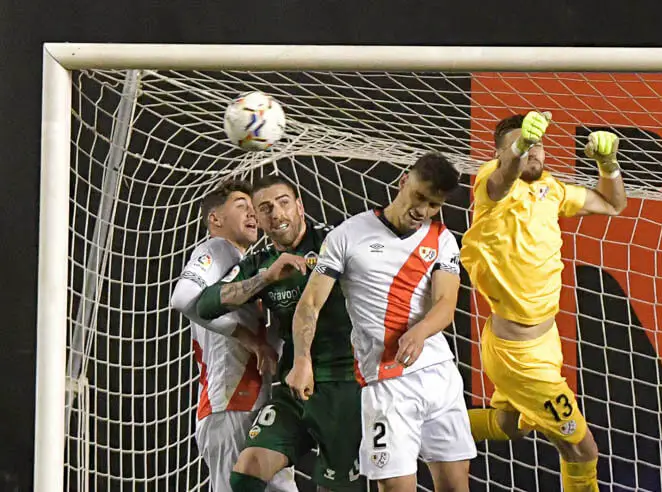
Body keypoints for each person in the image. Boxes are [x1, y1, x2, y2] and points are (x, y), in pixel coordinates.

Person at [286, 152, 476, 492]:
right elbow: (310, 303)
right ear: (404, 181)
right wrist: (302, 359)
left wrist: (419, 331)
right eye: (419, 197)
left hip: (439, 376)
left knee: (456, 487)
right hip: (386, 382)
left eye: (433, 205)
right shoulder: (347, 236)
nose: (423, 211)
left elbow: (446, 304)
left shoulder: (442, 239)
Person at [460, 111, 627, 492]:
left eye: (537, 143)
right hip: (518, 355)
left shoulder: (552, 188)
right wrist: (517, 148)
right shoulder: (491, 185)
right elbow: (503, 177)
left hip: (544, 342)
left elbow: (613, 204)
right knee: (582, 450)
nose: (533, 150)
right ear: (499, 153)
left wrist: (608, 164)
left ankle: (424, 425)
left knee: (509, 424)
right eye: (522, 145)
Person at [196, 175, 365, 492]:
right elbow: (205, 304)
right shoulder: (263, 263)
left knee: (334, 487)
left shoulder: (336, 243)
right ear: (258, 219)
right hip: (294, 389)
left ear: (300, 206)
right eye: (266, 208)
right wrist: (265, 278)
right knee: (246, 472)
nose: (276, 213)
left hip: (343, 386)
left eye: (284, 203)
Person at [170, 179, 298, 492]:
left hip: (251, 403)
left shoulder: (241, 266)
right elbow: (182, 298)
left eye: (254, 208)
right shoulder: (218, 248)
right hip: (230, 404)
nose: (253, 214)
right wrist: (249, 339)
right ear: (215, 219)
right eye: (242, 206)